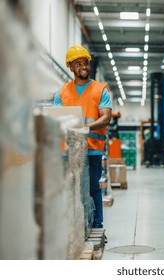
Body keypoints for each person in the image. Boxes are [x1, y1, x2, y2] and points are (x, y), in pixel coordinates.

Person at [53, 45, 112, 230]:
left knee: (93, 186)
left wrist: (86, 127)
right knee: (72, 187)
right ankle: (74, 224)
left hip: (93, 147)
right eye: (78, 64)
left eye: (85, 63)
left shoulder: (100, 89)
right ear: (70, 67)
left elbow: (106, 117)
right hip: (71, 149)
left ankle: (96, 223)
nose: (83, 67)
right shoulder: (62, 92)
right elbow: (56, 119)